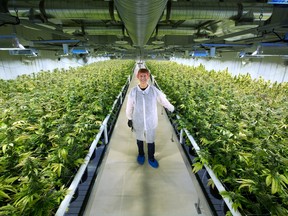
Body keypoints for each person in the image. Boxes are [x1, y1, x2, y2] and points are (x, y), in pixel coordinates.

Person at [126, 68, 174, 168]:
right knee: (139, 138)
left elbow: (163, 100)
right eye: (141, 76)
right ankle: (141, 154)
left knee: (150, 140)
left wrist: (172, 109)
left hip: (150, 121)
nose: (143, 78)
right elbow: (129, 106)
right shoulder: (133, 91)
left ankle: (151, 157)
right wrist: (129, 117)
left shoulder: (153, 90)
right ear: (137, 77)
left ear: (148, 77)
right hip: (138, 120)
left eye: (145, 76)